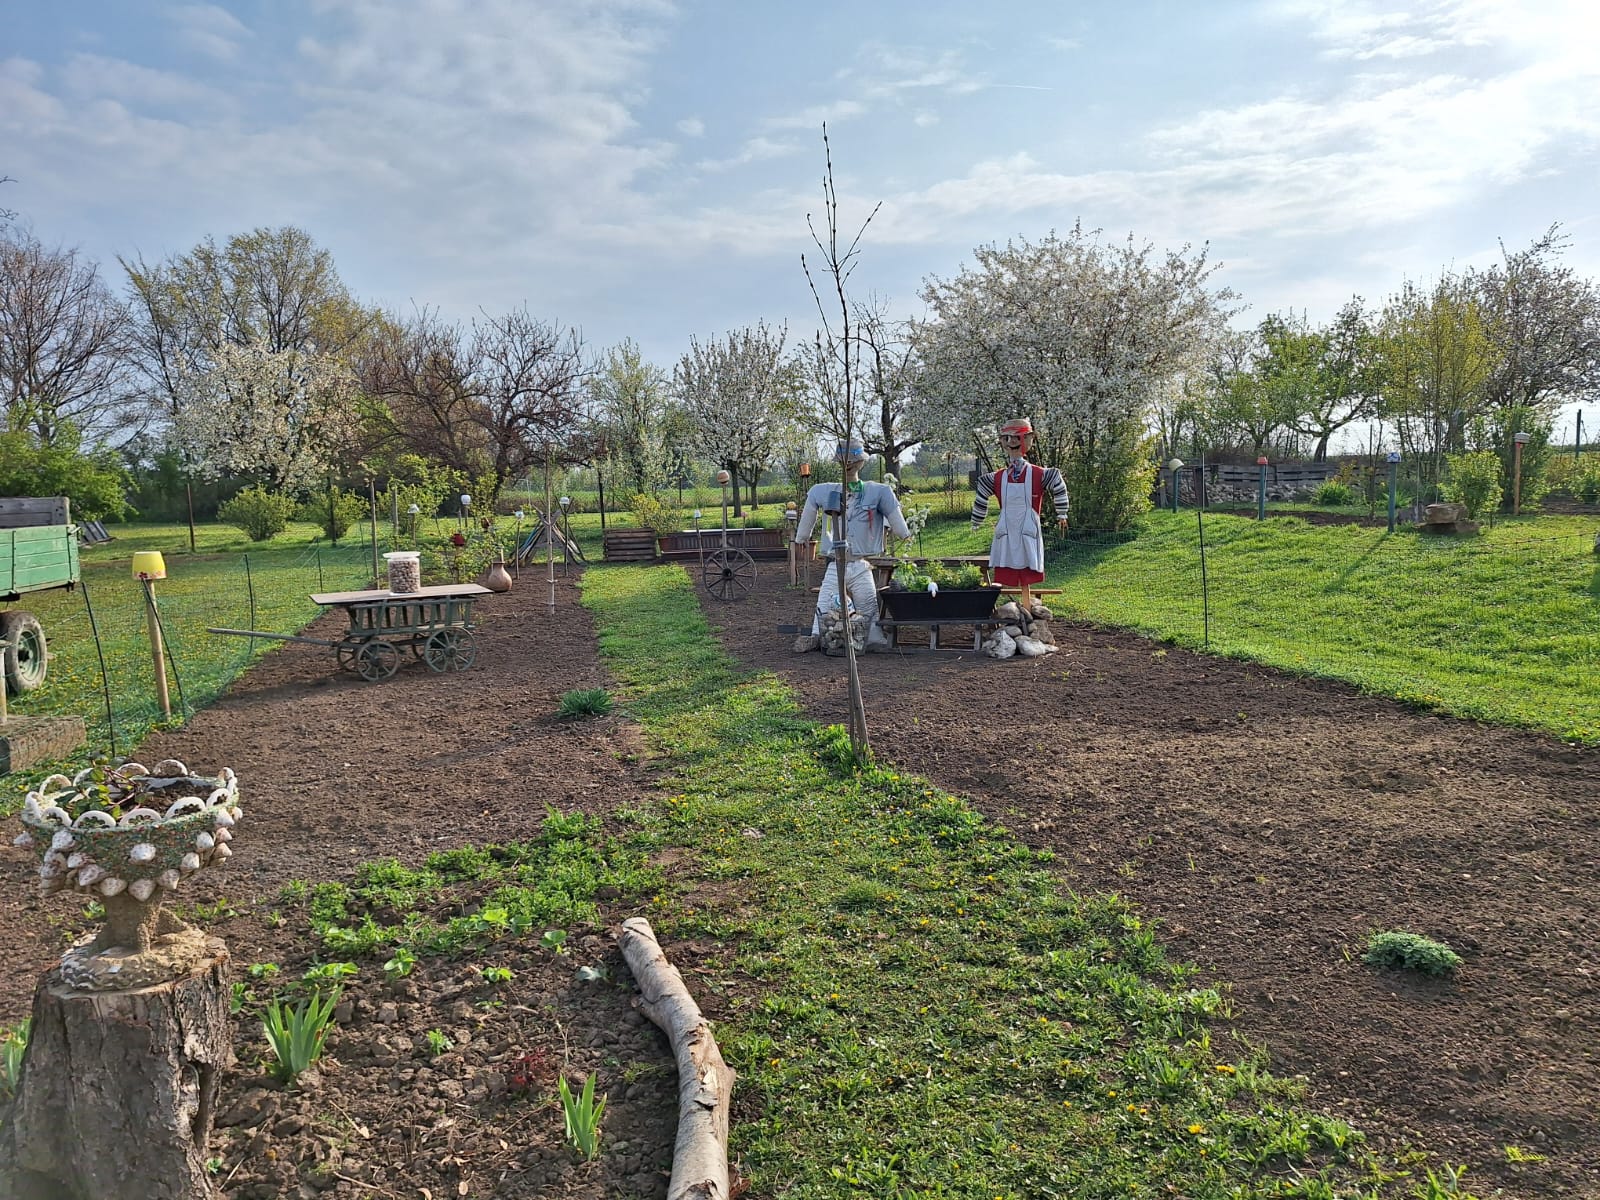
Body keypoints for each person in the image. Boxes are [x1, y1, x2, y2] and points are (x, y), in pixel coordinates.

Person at [792, 439, 911, 652]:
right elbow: (808, 514)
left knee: (868, 605)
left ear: (861, 463)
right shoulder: (822, 491)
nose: (848, 465)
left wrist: (902, 531)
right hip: (835, 563)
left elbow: (899, 525)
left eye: (853, 461)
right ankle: (818, 636)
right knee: (825, 603)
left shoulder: (878, 492)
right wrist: (802, 537)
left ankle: (874, 640)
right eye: (844, 461)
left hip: (859, 563)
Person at [971, 417, 1069, 610]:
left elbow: (1057, 484)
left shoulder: (1038, 474)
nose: (1012, 442)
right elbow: (982, 491)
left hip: (1027, 528)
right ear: (1002, 441)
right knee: (1006, 566)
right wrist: (977, 519)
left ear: (1028, 439)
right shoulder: (997, 477)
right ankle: (1012, 611)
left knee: (1027, 565)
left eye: (1017, 437)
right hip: (1006, 529)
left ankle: (1025, 606)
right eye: (1007, 438)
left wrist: (1062, 513)